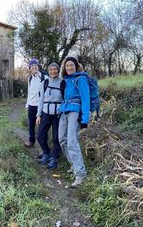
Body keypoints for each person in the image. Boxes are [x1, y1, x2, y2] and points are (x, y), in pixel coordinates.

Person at [58, 56, 90, 188]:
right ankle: (73, 163)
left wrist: (84, 119)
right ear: (64, 68)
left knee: (72, 141)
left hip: (75, 111)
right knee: (62, 140)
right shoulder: (66, 80)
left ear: (76, 66)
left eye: (71, 65)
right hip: (65, 110)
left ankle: (80, 174)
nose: (69, 68)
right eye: (67, 66)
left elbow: (86, 98)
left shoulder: (81, 79)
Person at [36, 61, 64, 169]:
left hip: (58, 114)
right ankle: (47, 153)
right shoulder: (45, 83)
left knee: (56, 138)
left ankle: (55, 158)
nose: (53, 71)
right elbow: (41, 100)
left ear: (58, 70)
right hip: (45, 113)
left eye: (55, 69)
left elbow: (65, 98)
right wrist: (38, 115)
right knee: (40, 135)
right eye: (51, 69)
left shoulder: (62, 83)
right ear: (48, 71)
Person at [24, 58, 47, 147]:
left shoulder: (44, 77)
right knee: (31, 125)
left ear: (38, 67)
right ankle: (31, 141)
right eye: (32, 66)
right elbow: (29, 93)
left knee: (41, 127)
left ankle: (43, 145)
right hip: (31, 105)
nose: (34, 67)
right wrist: (27, 105)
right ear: (30, 68)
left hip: (40, 106)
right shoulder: (29, 79)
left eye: (35, 65)